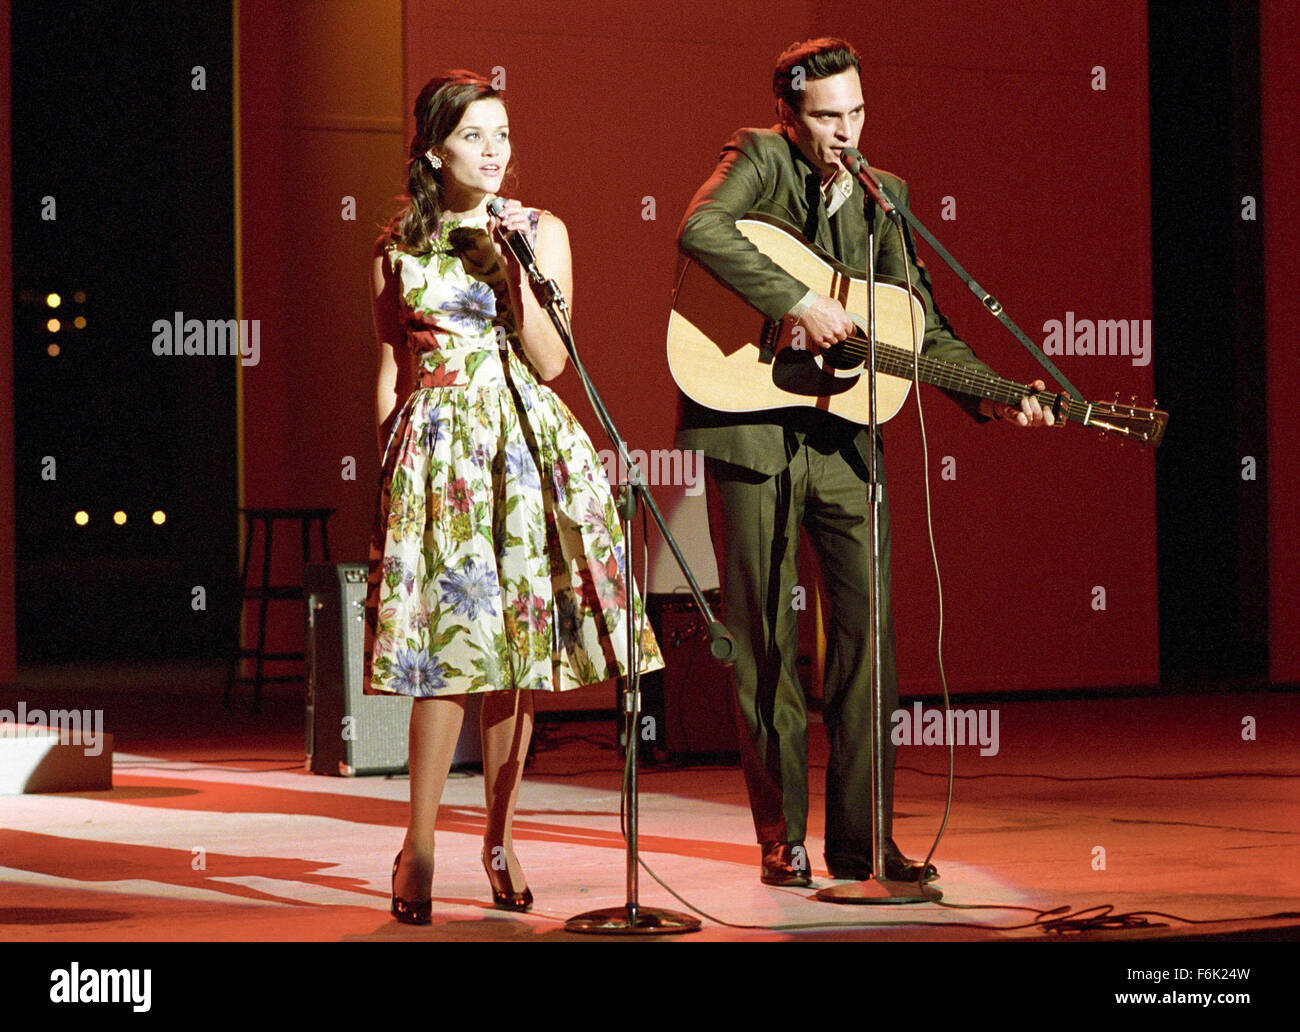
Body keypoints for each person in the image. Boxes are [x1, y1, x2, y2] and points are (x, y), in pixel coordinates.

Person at [676, 38, 1053, 887]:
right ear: (789, 115)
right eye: (826, 116)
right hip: (750, 428)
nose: (845, 131)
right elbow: (699, 227)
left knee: (868, 638)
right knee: (765, 638)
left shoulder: (889, 200)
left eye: (856, 112)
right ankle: (784, 837)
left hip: (845, 438)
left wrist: (989, 392)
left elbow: (924, 325)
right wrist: (799, 301)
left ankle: (864, 841)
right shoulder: (758, 157)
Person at [365, 70, 663, 923]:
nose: (494, 151)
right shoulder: (397, 246)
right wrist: (387, 458)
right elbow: (391, 364)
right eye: (474, 136)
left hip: (524, 449)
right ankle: (417, 847)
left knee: (514, 654)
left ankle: (498, 837)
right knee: (443, 656)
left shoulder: (540, 233)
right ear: (434, 150)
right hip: (438, 455)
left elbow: (552, 360)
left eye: (503, 134)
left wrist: (510, 279)